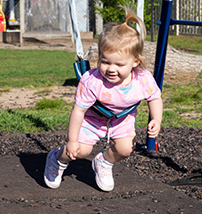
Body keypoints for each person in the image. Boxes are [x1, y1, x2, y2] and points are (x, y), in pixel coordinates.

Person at [43, 7, 163, 192]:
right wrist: (72, 140)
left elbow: (154, 97)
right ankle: (57, 159)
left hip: (121, 121)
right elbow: (78, 111)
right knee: (79, 151)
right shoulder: (92, 81)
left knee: (125, 149)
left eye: (119, 64)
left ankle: (104, 162)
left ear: (135, 62)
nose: (111, 69)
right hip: (91, 120)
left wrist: (156, 119)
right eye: (105, 61)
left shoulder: (143, 79)